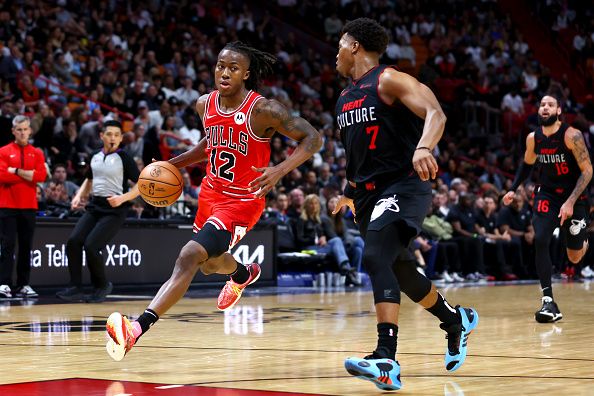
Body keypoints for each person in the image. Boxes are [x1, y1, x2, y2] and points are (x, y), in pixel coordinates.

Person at [105, 41, 322, 361]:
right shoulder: (204, 104)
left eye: (234, 68)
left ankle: (136, 329)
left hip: (243, 200)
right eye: (221, 65)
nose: (225, 72)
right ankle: (241, 274)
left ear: (246, 74)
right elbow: (210, 143)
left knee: (189, 256)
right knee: (208, 266)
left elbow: (313, 138)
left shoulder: (264, 110)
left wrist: (279, 170)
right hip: (210, 193)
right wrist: (169, 165)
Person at [332, 19, 478, 391]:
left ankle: (386, 357)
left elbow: (436, 113)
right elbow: (359, 155)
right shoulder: (344, 98)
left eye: (340, 45)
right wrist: (349, 191)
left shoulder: (389, 80)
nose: (335, 53)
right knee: (399, 271)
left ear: (353, 47)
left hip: (403, 184)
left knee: (376, 258)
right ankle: (454, 319)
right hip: (366, 195)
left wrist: (424, 147)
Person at [502, 93, 592, 323]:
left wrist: (571, 201)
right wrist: (513, 188)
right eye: (542, 105)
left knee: (574, 257)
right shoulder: (534, 138)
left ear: (559, 111)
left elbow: (588, 171)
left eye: (550, 105)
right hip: (548, 194)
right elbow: (527, 164)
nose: (545, 108)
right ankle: (548, 300)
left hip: (575, 196)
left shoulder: (572, 135)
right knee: (541, 238)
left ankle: (582, 241)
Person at [56, 120, 141, 303]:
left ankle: (102, 285)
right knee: (73, 241)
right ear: (101, 136)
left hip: (115, 209)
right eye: (109, 134)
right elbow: (89, 179)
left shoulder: (124, 157)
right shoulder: (94, 155)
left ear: (120, 138)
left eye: (117, 135)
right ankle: (75, 287)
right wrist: (79, 195)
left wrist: (123, 198)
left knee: (92, 246)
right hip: (95, 206)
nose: (113, 138)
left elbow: (142, 185)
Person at [0, 115, 47, 298]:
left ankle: (23, 284)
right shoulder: (3, 151)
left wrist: (16, 171)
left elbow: (41, 176)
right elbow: (2, 176)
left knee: (26, 247)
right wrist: (29, 175)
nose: (22, 132)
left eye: (25, 129)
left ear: (30, 130)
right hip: (7, 206)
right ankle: (4, 283)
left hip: (28, 206)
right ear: (13, 131)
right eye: (18, 129)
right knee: (7, 245)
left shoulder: (37, 152)